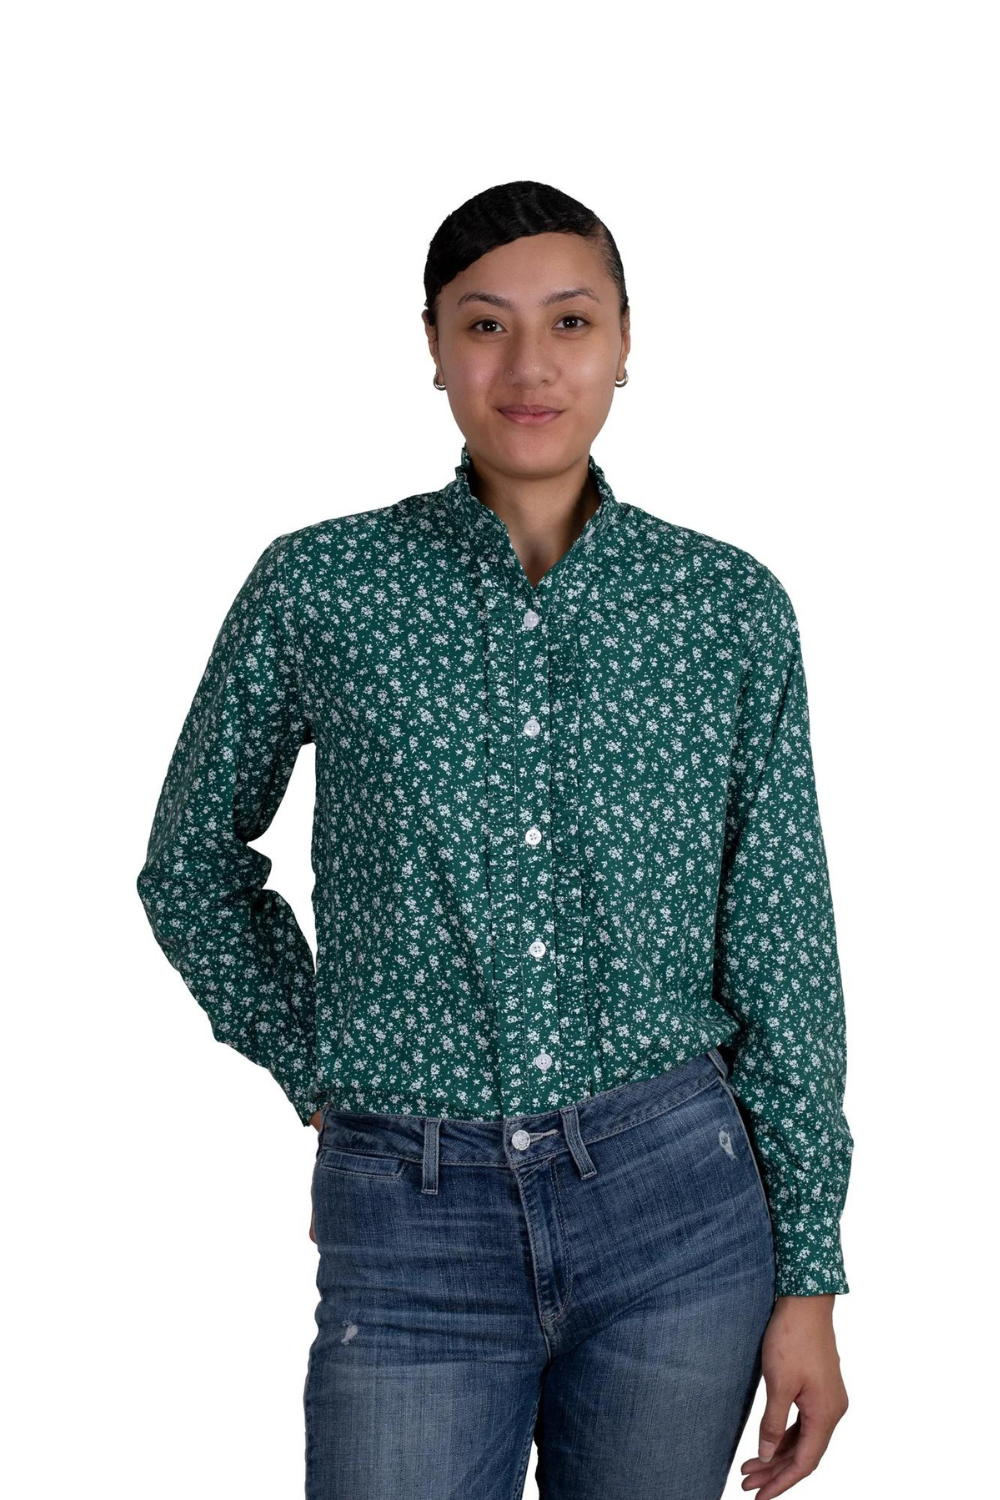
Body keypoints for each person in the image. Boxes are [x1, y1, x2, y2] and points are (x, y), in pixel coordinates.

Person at [136, 180, 853, 1500]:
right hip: (409, 1220)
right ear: (432, 346)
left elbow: (782, 944)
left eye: (571, 321)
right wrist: (316, 1058)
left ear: (626, 342)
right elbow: (189, 863)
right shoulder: (321, 585)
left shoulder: (726, 607)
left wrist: (807, 1274)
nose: (530, 366)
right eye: (484, 325)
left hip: (679, 1210)